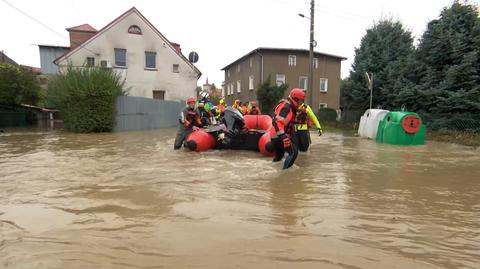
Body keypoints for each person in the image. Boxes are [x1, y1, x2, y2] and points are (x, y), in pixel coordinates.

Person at [268, 88, 305, 169]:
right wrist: (283, 136)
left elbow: (286, 120)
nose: (301, 104)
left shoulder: (288, 106)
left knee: (279, 156)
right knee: (293, 153)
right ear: (295, 99)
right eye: (300, 101)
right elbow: (277, 121)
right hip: (279, 136)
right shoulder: (287, 107)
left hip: (276, 136)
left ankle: (272, 169)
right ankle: (284, 174)